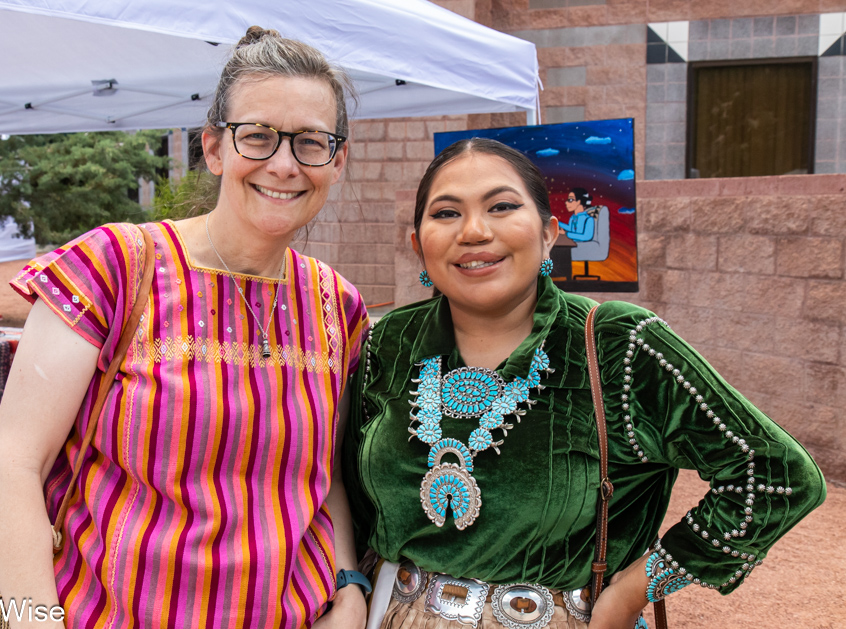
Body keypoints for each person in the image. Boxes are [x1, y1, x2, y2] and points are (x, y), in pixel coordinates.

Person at [344, 138, 826, 629]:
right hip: (389, 613)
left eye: (502, 206)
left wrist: (635, 590)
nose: (474, 231)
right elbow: (342, 487)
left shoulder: (618, 345)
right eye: (446, 213)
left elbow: (776, 475)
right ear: (417, 243)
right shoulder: (388, 343)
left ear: (550, 233)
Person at [0, 27, 369, 629]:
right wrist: (35, 620)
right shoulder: (112, 268)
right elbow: (14, 462)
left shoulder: (337, 307)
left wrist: (348, 586)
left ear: (337, 160)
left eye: (311, 143)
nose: (285, 164)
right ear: (214, 148)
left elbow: (328, 480)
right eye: (259, 137)